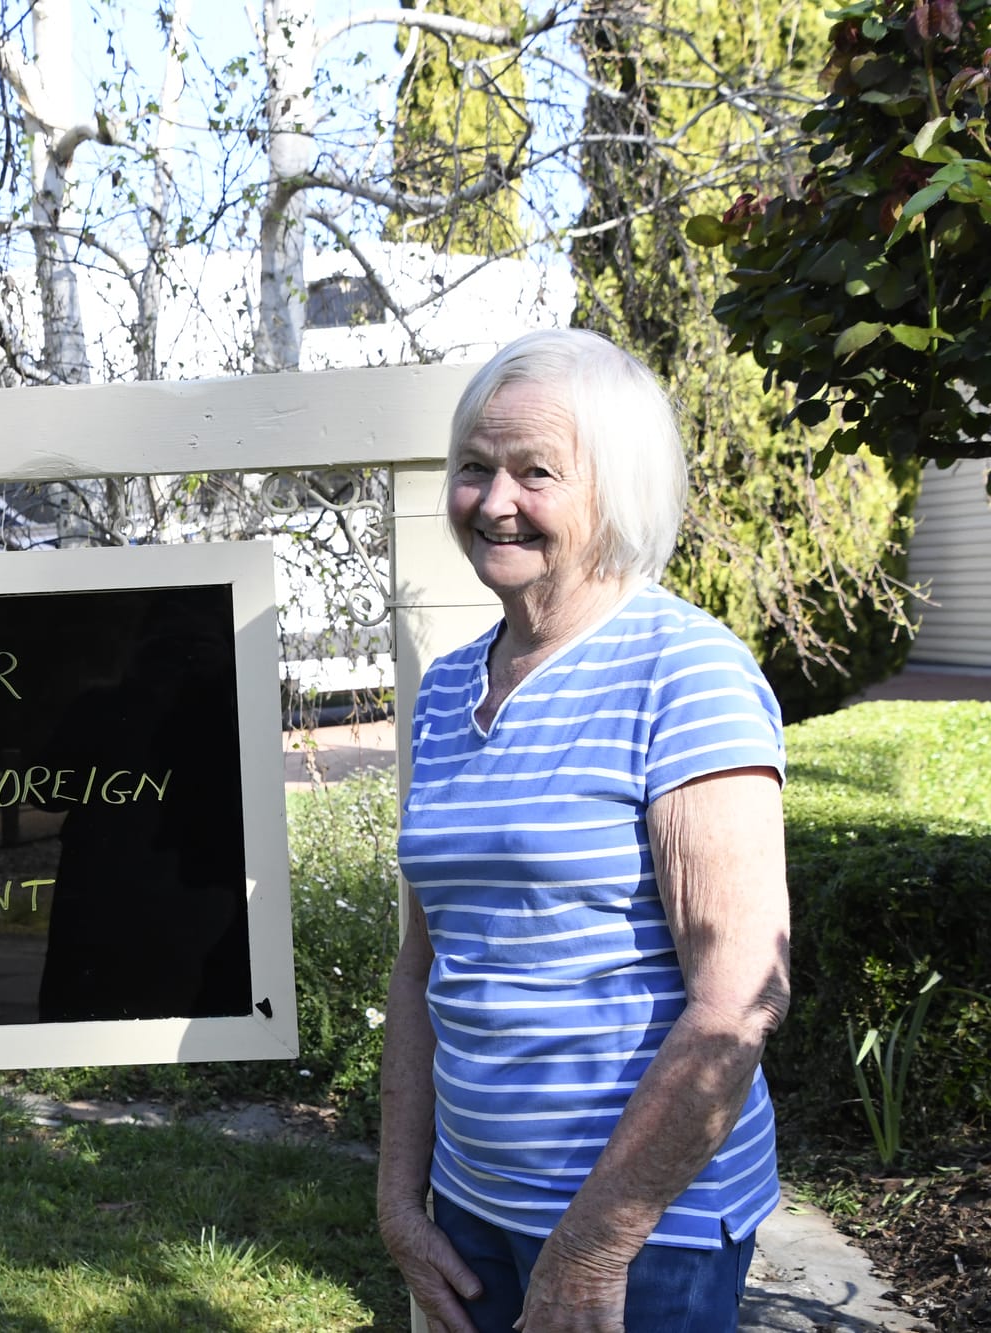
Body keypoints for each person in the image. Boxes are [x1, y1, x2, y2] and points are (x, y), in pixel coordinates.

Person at [376, 328, 790, 1331]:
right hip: (472, 1213)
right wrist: (398, 1203)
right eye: (473, 468)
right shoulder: (444, 692)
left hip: (645, 1233)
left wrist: (588, 1250)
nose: (493, 500)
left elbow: (735, 1001)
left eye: (534, 472)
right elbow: (420, 966)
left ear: (616, 487)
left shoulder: (684, 673)